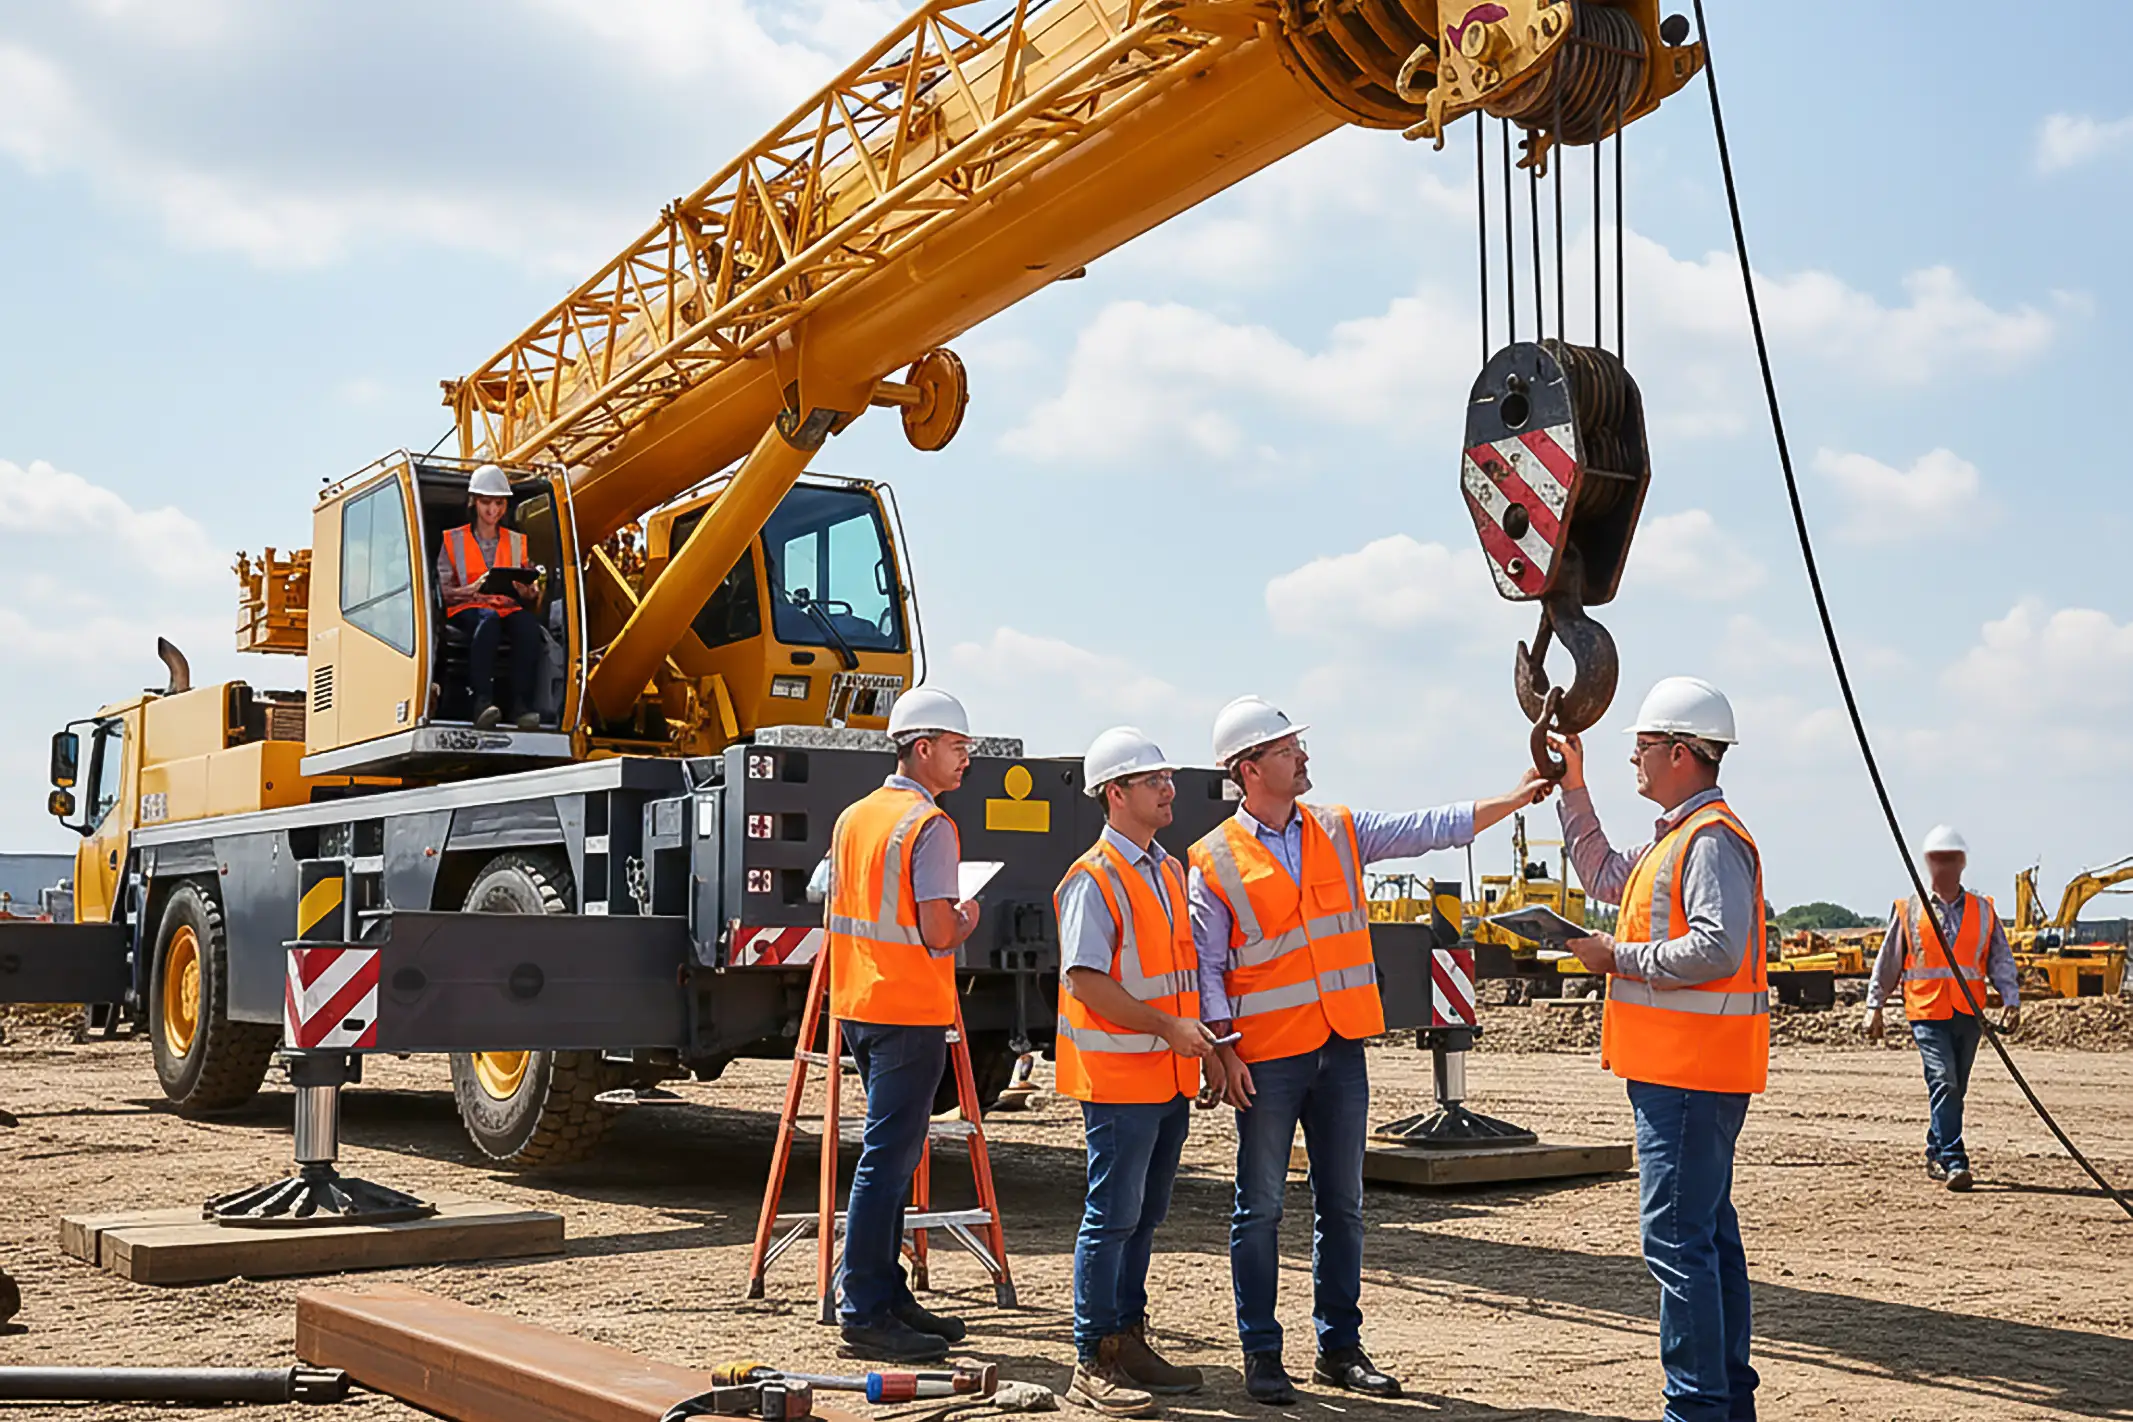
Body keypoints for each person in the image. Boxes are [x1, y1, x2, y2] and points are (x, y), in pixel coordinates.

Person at [1189, 696, 1551, 1405]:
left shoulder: (1337, 828)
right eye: (1287, 750)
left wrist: (1510, 800)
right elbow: (1205, 967)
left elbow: (1426, 828)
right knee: (1258, 1209)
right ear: (1249, 768)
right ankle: (1262, 1353)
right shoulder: (1212, 858)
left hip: (1339, 1047)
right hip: (1266, 1058)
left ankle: (1339, 1349)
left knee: (1344, 1207)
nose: (1303, 757)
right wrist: (1220, 1051)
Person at [1552, 676, 1765, 1422]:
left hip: (1689, 1076)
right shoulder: (1675, 840)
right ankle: (1723, 1404)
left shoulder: (1709, 842)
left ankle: (1696, 1408)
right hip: (1682, 1072)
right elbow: (1605, 875)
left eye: (1641, 746)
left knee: (1677, 1243)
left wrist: (1617, 958)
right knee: (1705, 1239)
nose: (1633, 759)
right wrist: (1572, 789)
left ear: (1679, 752)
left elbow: (1715, 947)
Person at [1056, 728, 1219, 1418]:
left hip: (1165, 1076)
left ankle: (1127, 1337)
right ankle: (1092, 1358)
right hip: (1120, 1080)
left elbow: (1180, 974)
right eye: (1153, 781)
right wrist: (1168, 1030)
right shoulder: (1092, 878)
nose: (1168, 789)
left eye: (1168, 778)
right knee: (1112, 1218)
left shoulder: (1167, 869)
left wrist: (1203, 1048)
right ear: (1114, 793)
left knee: (1143, 1217)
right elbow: (1086, 981)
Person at [823, 686, 983, 1362]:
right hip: (909, 1009)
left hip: (860, 1004)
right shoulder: (930, 826)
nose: (966, 758)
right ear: (923, 748)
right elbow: (939, 930)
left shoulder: (854, 817)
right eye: (957, 746)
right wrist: (969, 916)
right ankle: (864, 1309)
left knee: (890, 1158)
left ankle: (885, 1294)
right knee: (888, 1162)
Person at [1865, 824, 2021, 1192]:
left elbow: (2000, 958)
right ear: (1928, 863)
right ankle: (1954, 1159)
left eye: (1951, 858)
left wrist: (2011, 999)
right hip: (1926, 1011)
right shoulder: (1909, 909)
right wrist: (1875, 1005)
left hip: (1968, 1012)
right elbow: (1889, 961)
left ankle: (1936, 1148)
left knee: (1955, 1087)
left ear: (1963, 863)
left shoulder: (1983, 910)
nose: (1945, 865)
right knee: (1944, 1080)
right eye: (1939, 858)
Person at [437, 463, 542, 730]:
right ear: (474, 501)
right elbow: (442, 592)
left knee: (529, 628)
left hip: (506, 607)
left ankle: (521, 706)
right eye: (486, 502)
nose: (493, 510)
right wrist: (471, 590)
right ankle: (482, 702)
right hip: (467, 608)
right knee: (489, 621)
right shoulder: (453, 540)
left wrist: (529, 592)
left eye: (499, 503)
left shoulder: (516, 541)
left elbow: (530, 587)